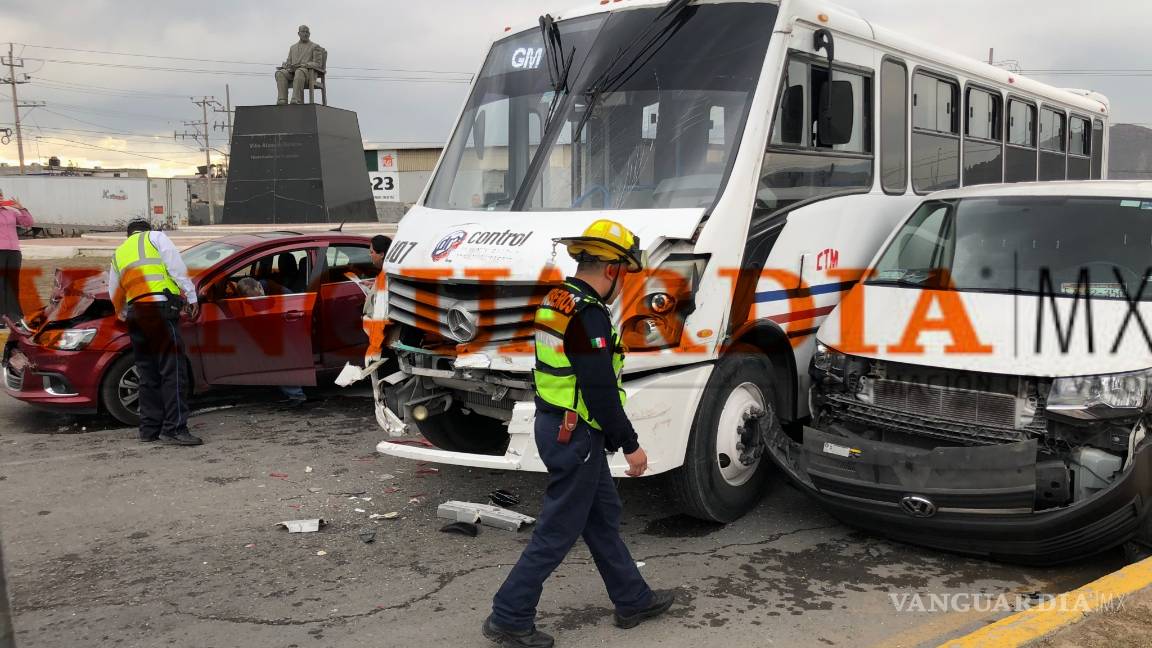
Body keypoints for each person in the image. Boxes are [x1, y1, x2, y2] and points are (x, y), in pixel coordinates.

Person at [484, 220, 675, 648]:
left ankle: (633, 599)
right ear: (613, 271)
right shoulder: (588, 315)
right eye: (625, 274)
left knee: (602, 519)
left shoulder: (557, 299)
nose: (623, 282)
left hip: (558, 425)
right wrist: (631, 445)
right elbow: (600, 388)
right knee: (557, 531)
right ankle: (509, 616)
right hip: (577, 436)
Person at [108, 219, 203, 446]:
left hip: (136, 314)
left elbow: (114, 288)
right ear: (148, 229)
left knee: (147, 372)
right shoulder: (156, 238)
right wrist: (191, 296)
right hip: (159, 309)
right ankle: (174, 429)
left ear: (128, 235)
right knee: (173, 370)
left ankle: (149, 429)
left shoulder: (119, 253)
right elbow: (176, 267)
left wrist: (121, 311)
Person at [236, 277, 308, 407]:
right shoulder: (254, 295)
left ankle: (296, 395)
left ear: (259, 286)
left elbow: (296, 308)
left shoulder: (281, 293)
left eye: (256, 297)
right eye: (250, 301)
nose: (254, 302)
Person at [0, 191, 33, 330]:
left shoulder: (11, 212)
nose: (0, 198)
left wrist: (21, 208)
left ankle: (15, 317)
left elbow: (28, 223)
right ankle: (1, 318)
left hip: (14, 252)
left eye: (0, 195)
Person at [275, 25, 323, 105]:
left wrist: (305, 65)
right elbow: (289, 61)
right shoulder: (292, 47)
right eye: (303, 32)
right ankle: (282, 100)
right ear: (299, 33)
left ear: (309, 34)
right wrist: (286, 65)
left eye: (307, 32)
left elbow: (318, 64)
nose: (305, 34)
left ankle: (296, 99)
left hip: (308, 73)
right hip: (293, 72)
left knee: (299, 71)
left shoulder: (315, 46)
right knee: (280, 73)